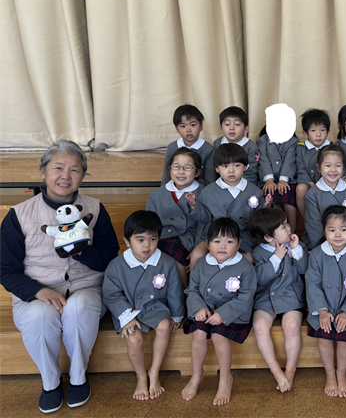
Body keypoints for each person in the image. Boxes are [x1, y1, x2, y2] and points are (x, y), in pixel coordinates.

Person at [0, 140, 119, 413]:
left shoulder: (95, 209)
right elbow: (5, 269)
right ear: (43, 171)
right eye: (58, 168)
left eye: (74, 169)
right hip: (36, 292)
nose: (66, 176)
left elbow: (109, 257)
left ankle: (78, 378)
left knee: (79, 306)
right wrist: (37, 291)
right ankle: (50, 383)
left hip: (87, 288)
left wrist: (81, 252)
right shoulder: (19, 214)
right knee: (39, 315)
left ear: (82, 176)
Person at [102, 211, 184, 400]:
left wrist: (176, 315)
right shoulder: (116, 265)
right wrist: (126, 317)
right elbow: (111, 295)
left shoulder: (166, 262)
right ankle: (141, 377)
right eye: (140, 240)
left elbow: (174, 291)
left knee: (164, 327)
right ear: (127, 241)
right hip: (128, 309)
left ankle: (154, 371)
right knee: (134, 338)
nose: (147, 245)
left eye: (153, 239)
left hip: (156, 307)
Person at [181, 218, 257, 406]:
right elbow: (192, 290)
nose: (223, 246)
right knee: (199, 333)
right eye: (217, 241)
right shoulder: (200, 264)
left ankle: (225, 378)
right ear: (207, 244)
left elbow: (246, 296)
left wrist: (223, 314)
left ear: (238, 245)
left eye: (229, 241)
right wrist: (199, 307)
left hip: (232, 314)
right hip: (205, 310)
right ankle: (197, 374)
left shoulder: (245, 267)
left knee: (218, 335)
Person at [306, 206, 346, 398]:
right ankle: (330, 374)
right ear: (324, 231)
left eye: (343, 229)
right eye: (332, 230)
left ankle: (341, 374)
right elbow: (312, 283)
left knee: (344, 342)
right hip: (323, 310)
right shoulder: (317, 254)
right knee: (324, 339)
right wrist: (322, 311)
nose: (338, 235)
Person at [248, 208, 308, 393]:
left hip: (291, 296)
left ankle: (290, 369)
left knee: (291, 325)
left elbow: (304, 269)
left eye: (287, 224)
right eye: (283, 227)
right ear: (268, 237)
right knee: (259, 326)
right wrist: (276, 257)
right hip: (266, 298)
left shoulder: (296, 245)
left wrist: (296, 249)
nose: (289, 228)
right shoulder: (258, 253)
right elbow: (260, 279)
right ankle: (276, 370)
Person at [188, 144, 273, 266]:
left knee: (248, 259)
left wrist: (266, 206)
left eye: (237, 165)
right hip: (214, 237)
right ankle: (194, 279)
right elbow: (204, 217)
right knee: (196, 256)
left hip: (242, 237)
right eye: (225, 166)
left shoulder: (254, 191)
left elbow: (259, 219)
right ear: (217, 169)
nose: (231, 170)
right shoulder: (208, 191)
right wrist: (194, 206)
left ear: (245, 167)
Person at [146, 148, 204, 289]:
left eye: (187, 168)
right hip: (161, 236)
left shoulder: (204, 192)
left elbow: (206, 223)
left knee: (174, 248)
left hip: (189, 238)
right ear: (169, 169)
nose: (181, 172)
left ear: (197, 172)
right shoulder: (157, 195)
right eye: (176, 167)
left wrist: (199, 245)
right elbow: (149, 223)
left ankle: (184, 290)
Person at [302, 145, 346, 248]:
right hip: (323, 244)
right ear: (318, 167)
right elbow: (314, 226)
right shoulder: (312, 194)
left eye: (338, 165)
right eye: (328, 165)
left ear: (344, 167)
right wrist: (325, 249)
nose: (333, 170)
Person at [257, 126, 299, 232]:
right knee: (272, 202)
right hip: (267, 181)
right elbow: (263, 160)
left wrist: (283, 180)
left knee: (289, 202)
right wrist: (269, 180)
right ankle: (277, 233)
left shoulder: (293, 141)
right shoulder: (262, 141)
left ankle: (292, 231)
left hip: (287, 180)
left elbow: (290, 160)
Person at [161, 104, 215, 186]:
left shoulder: (209, 150)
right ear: (177, 129)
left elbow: (210, 180)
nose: (188, 130)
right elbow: (167, 176)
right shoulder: (172, 148)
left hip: (199, 191)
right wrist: (164, 191)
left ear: (201, 126)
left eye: (193, 125)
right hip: (176, 189)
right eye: (183, 126)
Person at [295, 108, 331, 218]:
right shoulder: (300, 149)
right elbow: (301, 169)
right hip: (308, 182)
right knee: (301, 189)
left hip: (328, 181)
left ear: (328, 132)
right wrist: (311, 184)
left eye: (322, 130)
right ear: (305, 133)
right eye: (313, 130)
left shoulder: (332, 148)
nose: (318, 134)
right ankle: (306, 221)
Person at [212, 106, 260, 185]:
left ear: (246, 129)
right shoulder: (217, 143)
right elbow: (215, 169)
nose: (232, 127)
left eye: (237, 124)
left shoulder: (251, 147)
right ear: (221, 129)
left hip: (244, 185)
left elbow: (251, 173)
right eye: (227, 124)